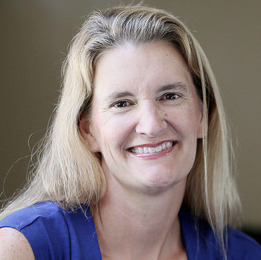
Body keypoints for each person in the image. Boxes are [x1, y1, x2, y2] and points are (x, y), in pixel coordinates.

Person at [0, 4, 260, 260]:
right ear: (88, 131)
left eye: (170, 96)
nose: (151, 125)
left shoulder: (242, 254)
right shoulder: (22, 247)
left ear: (202, 116)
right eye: (122, 103)